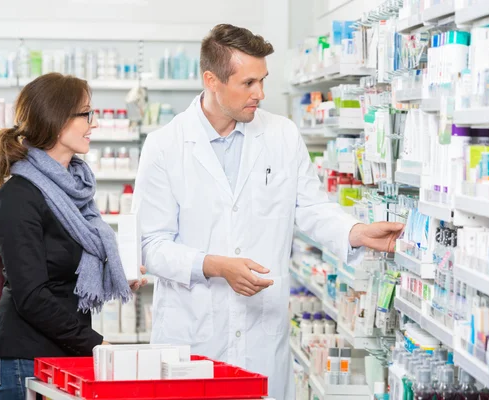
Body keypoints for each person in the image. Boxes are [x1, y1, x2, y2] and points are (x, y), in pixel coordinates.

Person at [133, 24, 403, 400]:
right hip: (192, 336)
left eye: (262, 80)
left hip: (261, 337)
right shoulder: (165, 146)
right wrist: (214, 265)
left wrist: (355, 232)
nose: (260, 93)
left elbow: (311, 207)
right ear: (212, 80)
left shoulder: (282, 135)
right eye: (248, 83)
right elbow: (151, 245)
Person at [0, 73, 146, 400]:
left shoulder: (75, 190)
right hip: (24, 360)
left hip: (64, 353)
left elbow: (66, 269)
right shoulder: (19, 196)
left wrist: (117, 274)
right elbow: (31, 296)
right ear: (56, 121)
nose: (93, 123)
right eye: (85, 114)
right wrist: (95, 343)